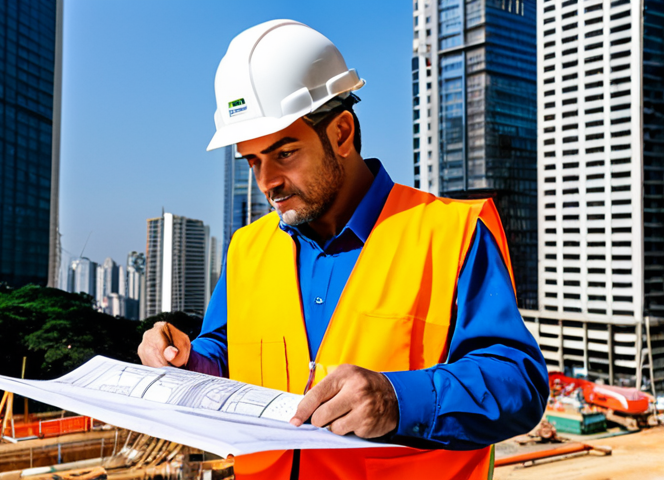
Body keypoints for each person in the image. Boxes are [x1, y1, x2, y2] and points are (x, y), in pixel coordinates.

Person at [138, 19, 548, 480]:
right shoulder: (248, 249)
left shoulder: (451, 234)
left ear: (341, 133)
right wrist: (186, 359)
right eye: (253, 161)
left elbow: (518, 383)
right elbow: (226, 351)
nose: (267, 182)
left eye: (284, 153)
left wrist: (397, 400)